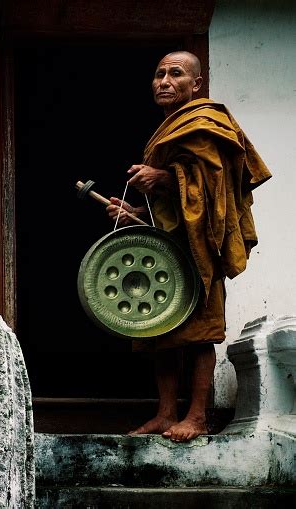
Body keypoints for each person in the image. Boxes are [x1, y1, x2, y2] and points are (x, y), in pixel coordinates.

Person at [106, 50, 272, 442]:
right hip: (167, 244)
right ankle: (166, 413)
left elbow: (217, 188)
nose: (164, 81)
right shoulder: (167, 129)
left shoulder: (205, 122)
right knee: (158, 326)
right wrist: (136, 214)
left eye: (175, 73)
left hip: (203, 243)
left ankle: (196, 416)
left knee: (200, 331)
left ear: (196, 84)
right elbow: (170, 206)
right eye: (159, 73)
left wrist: (163, 178)